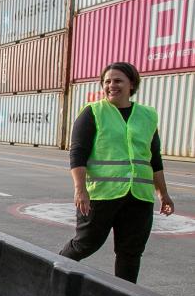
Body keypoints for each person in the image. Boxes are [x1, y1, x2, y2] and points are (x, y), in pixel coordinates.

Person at [59, 62, 174, 283]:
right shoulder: (93, 112)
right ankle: (53, 272)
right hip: (102, 195)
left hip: (139, 196)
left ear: (132, 84)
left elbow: (155, 158)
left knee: (130, 253)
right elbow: (78, 154)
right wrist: (80, 190)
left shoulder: (147, 115)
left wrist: (163, 193)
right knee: (86, 244)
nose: (112, 85)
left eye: (118, 80)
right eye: (107, 81)